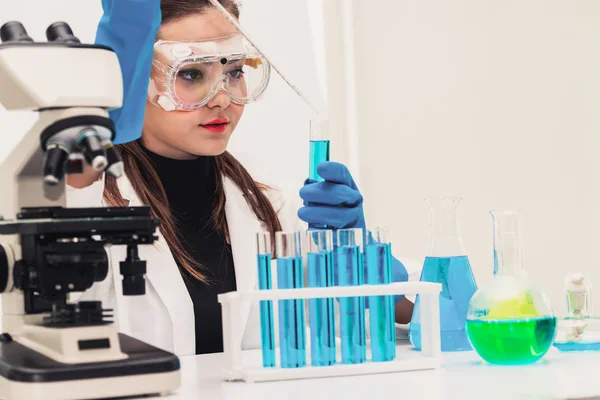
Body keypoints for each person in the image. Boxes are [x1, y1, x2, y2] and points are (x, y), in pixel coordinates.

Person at [67, 0, 421, 356]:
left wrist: (365, 267)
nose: (222, 98)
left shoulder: (273, 211)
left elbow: (379, 326)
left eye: (234, 71)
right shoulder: (84, 203)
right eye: (190, 74)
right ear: (133, 76)